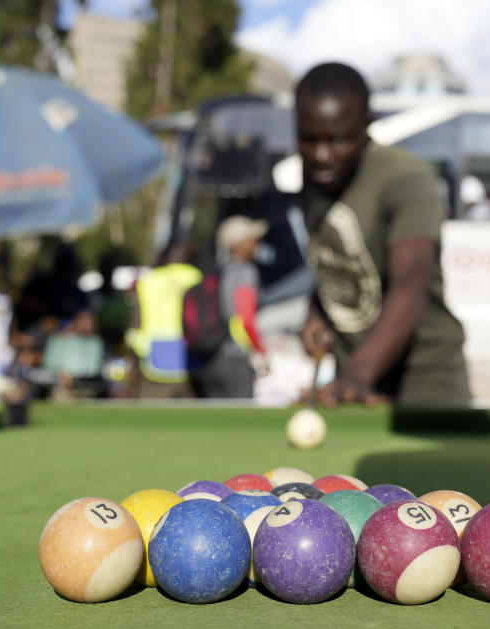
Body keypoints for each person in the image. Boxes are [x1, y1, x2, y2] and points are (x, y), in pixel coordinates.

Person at [295, 62, 471, 407]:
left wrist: (360, 371)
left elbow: (411, 284)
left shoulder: (405, 179)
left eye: (337, 139)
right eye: (308, 138)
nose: (321, 155)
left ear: (367, 125)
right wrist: (317, 310)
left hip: (425, 386)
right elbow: (338, 261)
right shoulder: (311, 179)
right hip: (355, 383)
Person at [190, 215, 268, 398]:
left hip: (211, 357)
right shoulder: (245, 272)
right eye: (252, 239)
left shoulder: (217, 270)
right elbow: (245, 317)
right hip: (235, 356)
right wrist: (260, 351)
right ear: (238, 244)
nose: (258, 243)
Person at [125, 244, 199, 398]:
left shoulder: (149, 280)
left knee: (153, 409)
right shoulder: (197, 277)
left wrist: (132, 348)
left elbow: (136, 318)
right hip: (190, 348)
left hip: (154, 348)